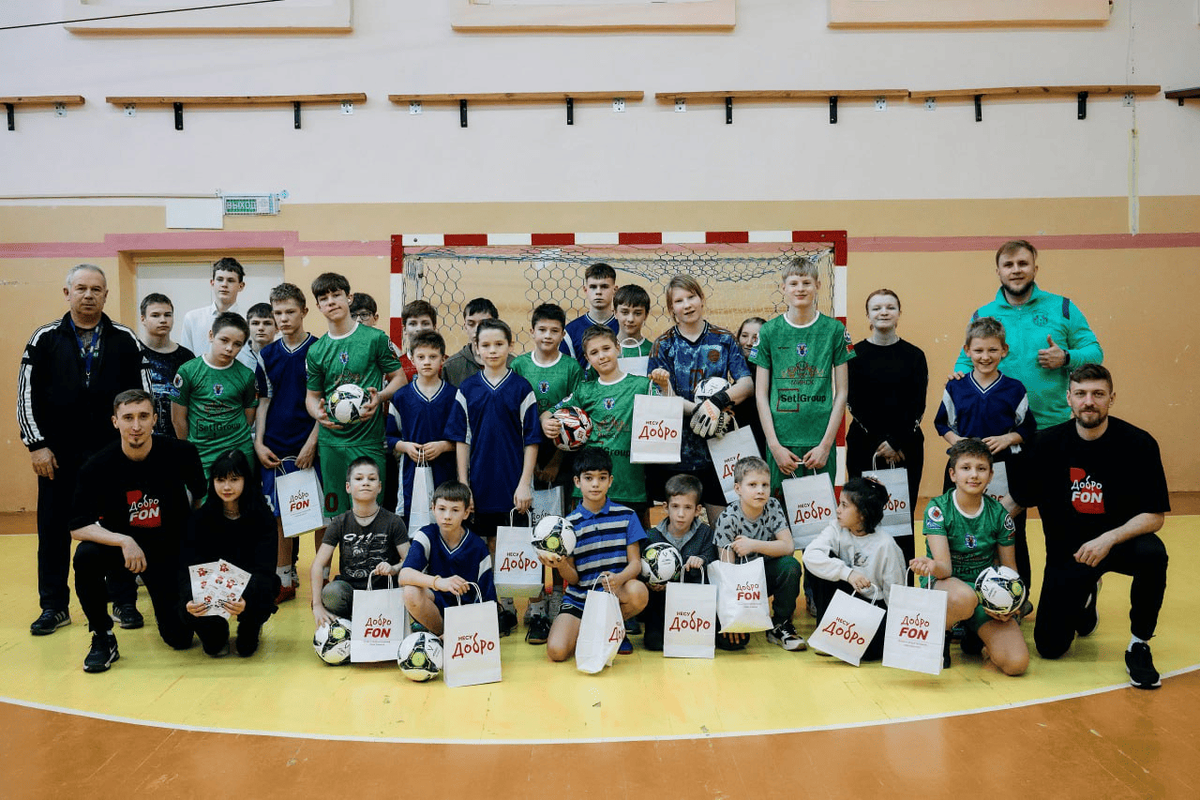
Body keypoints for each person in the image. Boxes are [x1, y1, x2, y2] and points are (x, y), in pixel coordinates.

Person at [1008, 365, 1169, 689]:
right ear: (1069, 398)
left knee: (1153, 554)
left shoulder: (1138, 443)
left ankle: (1139, 644)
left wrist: (1109, 538)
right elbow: (1018, 502)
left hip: (1118, 544)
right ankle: (1086, 594)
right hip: (1069, 554)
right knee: (1050, 648)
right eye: (1081, 394)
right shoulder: (1045, 445)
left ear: (1111, 398)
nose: (1089, 401)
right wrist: (970, 524)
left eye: (1098, 394)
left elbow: (1155, 516)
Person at [19, 264, 150, 636]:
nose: (88, 295)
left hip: (112, 457)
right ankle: (54, 606)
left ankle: (124, 600)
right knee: (53, 532)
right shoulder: (45, 338)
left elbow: (144, 396)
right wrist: (36, 445)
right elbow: (25, 396)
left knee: (119, 525)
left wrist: (136, 443)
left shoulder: (125, 338)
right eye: (81, 288)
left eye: (96, 289)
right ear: (67, 293)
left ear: (106, 295)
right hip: (57, 458)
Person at [69, 390, 206, 672]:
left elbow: (201, 499)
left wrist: (194, 551)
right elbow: (78, 526)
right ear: (115, 421)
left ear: (155, 419)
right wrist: (124, 540)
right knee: (85, 556)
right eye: (128, 417)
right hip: (123, 552)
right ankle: (102, 636)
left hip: (167, 551)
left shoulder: (181, 453)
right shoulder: (96, 466)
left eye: (143, 416)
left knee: (180, 639)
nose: (136, 426)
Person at [445, 318, 540, 635]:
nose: (492, 350)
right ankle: (499, 606)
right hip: (479, 484)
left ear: (510, 346)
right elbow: (462, 440)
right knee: (485, 546)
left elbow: (531, 440)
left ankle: (529, 608)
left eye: (499, 344)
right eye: (485, 345)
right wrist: (464, 485)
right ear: (476, 348)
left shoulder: (521, 388)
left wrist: (524, 482)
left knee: (514, 545)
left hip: (512, 484)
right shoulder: (467, 389)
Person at [953, 240, 1103, 429]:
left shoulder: (1063, 307)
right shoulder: (982, 315)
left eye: (1023, 263)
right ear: (998, 272)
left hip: (1052, 426)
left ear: (1035, 269)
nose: (1016, 270)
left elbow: (1096, 354)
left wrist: (1066, 357)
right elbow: (965, 363)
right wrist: (961, 382)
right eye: (1008, 265)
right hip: (999, 428)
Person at [910, 438, 1029, 676]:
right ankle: (941, 635)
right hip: (947, 587)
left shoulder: (1000, 515)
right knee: (964, 597)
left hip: (985, 594)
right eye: (966, 468)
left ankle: (974, 633)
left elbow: (1010, 570)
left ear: (991, 475)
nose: (974, 475)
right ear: (953, 474)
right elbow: (944, 569)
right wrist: (931, 565)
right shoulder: (938, 509)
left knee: (1016, 664)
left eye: (981, 468)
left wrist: (1008, 606)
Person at [935, 317, 1036, 593]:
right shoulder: (955, 387)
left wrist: (1007, 438)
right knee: (958, 527)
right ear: (967, 350)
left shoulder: (1014, 388)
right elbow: (942, 423)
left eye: (992, 350)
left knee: (1009, 530)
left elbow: (1028, 428)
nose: (985, 356)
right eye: (978, 350)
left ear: (1004, 350)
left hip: (1004, 470)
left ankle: (1016, 593)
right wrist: (959, 443)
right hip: (964, 468)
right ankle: (958, 590)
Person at [648, 275, 754, 521]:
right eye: (679, 301)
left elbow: (746, 384)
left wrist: (717, 402)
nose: (687, 305)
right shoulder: (663, 345)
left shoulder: (724, 339)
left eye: (691, 297)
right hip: (678, 456)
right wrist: (700, 410)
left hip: (720, 450)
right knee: (680, 526)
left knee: (723, 526)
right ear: (671, 309)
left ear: (702, 299)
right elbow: (662, 398)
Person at [304, 272, 406, 519]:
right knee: (337, 518)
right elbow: (311, 396)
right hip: (331, 443)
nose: (331, 302)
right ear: (318, 306)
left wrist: (379, 397)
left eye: (336, 295)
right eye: (324, 298)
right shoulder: (316, 350)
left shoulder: (375, 339)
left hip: (368, 440)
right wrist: (317, 413)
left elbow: (400, 379)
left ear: (348, 298)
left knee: (370, 514)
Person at [752, 256, 855, 493]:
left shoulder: (834, 330)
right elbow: (760, 395)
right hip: (782, 442)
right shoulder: (768, 331)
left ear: (818, 286)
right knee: (780, 511)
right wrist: (774, 446)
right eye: (794, 283)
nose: (800, 289)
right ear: (783, 288)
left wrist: (826, 445)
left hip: (819, 442)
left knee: (818, 510)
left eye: (806, 283)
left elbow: (842, 392)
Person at [511, 304, 583, 643]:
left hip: (560, 466)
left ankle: (560, 597)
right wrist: (531, 465)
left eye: (555, 331)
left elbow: (575, 416)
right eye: (542, 330)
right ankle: (536, 601)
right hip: (524, 464)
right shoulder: (519, 365)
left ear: (563, 334)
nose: (548, 336)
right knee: (528, 532)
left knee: (558, 533)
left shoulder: (571, 368)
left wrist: (555, 461)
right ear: (532, 331)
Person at [542, 447, 649, 661]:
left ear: (610, 481)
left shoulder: (627, 516)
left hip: (612, 596)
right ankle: (598, 632)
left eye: (602, 478)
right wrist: (561, 565)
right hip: (579, 599)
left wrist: (619, 579)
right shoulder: (568, 526)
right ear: (577, 481)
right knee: (556, 651)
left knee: (639, 591)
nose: (595, 484)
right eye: (588, 478)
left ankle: (613, 629)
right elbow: (574, 578)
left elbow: (636, 564)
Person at [845, 290, 927, 562]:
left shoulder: (915, 355)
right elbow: (853, 402)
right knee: (864, 515)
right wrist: (882, 442)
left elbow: (918, 404)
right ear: (868, 315)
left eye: (890, 307)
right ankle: (865, 580)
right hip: (864, 447)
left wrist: (896, 442)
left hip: (906, 448)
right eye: (877, 308)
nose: (883, 312)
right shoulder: (853, 355)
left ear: (899, 313)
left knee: (900, 518)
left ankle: (903, 581)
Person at [544, 325, 656, 519]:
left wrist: (663, 385)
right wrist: (546, 423)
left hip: (630, 486)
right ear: (587, 358)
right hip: (590, 488)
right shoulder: (584, 391)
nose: (602, 356)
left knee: (629, 535)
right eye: (594, 352)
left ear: (618, 348)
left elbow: (666, 410)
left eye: (606, 348)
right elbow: (548, 413)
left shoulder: (641, 385)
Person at [254, 283, 322, 602]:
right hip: (276, 446)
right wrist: (259, 443)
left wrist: (312, 443)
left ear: (304, 312)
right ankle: (283, 580)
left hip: (314, 444)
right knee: (281, 516)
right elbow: (263, 402)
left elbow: (325, 401)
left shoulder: (319, 350)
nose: (283, 319)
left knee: (322, 516)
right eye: (278, 313)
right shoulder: (266, 355)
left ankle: (323, 579)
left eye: (290, 312)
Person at [180, 450, 280, 657]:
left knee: (246, 648)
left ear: (246, 480)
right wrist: (189, 600)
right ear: (213, 482)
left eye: (234, 479)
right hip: (212, 590)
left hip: (249, 585)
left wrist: (247, 600)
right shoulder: (200, 519)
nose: (226, 487)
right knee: (214, 647)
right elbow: (189, 567)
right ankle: (215, 629)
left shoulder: (262, 517)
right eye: (220, 480)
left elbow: (266, 569)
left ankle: (251, 625)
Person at [802, 477, 905, 661]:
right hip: (847, 596)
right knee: (819, 562)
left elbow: (895, 593)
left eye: (844, 505)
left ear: (863, 514)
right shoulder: (837, 528)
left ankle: (842, 641)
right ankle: (828, 633)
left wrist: (895, 634)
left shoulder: (886, 545)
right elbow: (809, 555)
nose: (837, 510)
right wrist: (848, 573)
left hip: (873, 605)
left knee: (871, 653)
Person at [712, 456, 805, 652]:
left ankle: (780, 624)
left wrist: (752, 545)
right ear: (738, 488)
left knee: (790, 566)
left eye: (765, 485)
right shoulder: (727, 518)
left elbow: (788, 546)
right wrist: (731, 616)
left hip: (764, 577)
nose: (760, 490)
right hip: (739, 587)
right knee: (734, 643)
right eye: (752, 485)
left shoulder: (773, 506)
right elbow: (726, 574)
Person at [311, 458, 410, 625]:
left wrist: (394, 568)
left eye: (371, 479)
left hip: (386, 593)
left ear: (379, 487)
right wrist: (317, 605)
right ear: (348, 487)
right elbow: (318, 565)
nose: (365, 483)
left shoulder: (394, 521)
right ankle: (352, 621)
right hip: (352, 594)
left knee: (411, 587)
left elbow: (410, 561)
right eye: (359, 478)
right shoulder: (339, 522)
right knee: (332, 592)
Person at [400, 480, 497, 635]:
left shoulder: (478, 546)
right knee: (410, 592)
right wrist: (440, 582)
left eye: (455, 510)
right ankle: (441, 635)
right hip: (435, 608)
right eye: (442, 509)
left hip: (466, 615)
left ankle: (455, 637)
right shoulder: (426, 535)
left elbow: (487, 598)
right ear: (433, 508)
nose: (447, 516)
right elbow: (404, 575)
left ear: (466, 513)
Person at [172, 312, 258, 477]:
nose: (229, 348)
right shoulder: (187, 371)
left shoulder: (246, 375)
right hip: (202, 454)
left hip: (239, 451)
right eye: (224, 340)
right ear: (211, 335)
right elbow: (178, 419)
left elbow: (249, 417)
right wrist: (189, 451)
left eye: (237, 344)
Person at [638, 474, 717, 652]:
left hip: (695, 604)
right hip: (661, 604)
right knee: (655, 644)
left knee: (721, 643)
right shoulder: (651, 537)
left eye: (687, 507)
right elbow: (640, 568)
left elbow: (713, 561)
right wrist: (649, 583)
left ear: (698, 510)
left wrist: (702, 560)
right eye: (675, 506)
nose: (681, 514)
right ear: (665, 507)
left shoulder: (705, 534)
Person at [386, 331, 457, 528]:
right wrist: (405, 447)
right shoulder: (400, 397)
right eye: (421, 357)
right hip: (411, 472)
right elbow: (390, 437)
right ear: (411, 359)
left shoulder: (454, 396)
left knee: (445, 521)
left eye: (433, 357)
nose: (427, 362)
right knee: (412, 524)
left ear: (443, 359)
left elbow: (464, 438)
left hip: (445, 471)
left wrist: (444, 446)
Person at [179, 257, 257, 370]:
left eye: (230, 280)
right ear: (212, 283)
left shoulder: (250, 322)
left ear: (241, 286)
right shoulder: (192, 318)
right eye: (220, 279)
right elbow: (186, 360)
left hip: (238, 379)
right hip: (199, 378)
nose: (224, 284)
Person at [138, 292, 195, 439]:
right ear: (143, 319)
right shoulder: (133, 353)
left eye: (168, 315)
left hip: (178, 438)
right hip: (141, 435)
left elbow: (194, 401)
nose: (163, 320)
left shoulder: (186, 357)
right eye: (155, 315)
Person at [583, 284, 653, 380]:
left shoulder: (653, 351)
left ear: (646, 315)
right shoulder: (603, 351)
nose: (630, 319)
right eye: (625, 312)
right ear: (615, 313)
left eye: (637, 313)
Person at [561, 262, 619, 367]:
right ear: (585, 289)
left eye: (604, 286)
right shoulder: (570, 331)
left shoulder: (623, 326)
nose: (598, 292)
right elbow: (567, 371)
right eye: (593, 287)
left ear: (614, 290)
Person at [443, 298, 511, 386]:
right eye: (471, 324)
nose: (477, 330)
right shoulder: (451, 366)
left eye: (484, 324)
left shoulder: (512, 364)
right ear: (465, 326)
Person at [733, 316, 768, 456]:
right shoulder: (736, 369)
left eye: (755, 338)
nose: (748, 343)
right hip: (741, 445)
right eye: (744, 336)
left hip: (765, 443)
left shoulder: (769, 372)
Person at [398, 300, 439, 382]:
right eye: (413, 324)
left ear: (434, 328)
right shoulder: (396, 366)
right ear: (405, 329)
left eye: (425, 324)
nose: (419, 329)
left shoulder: (447, 364)